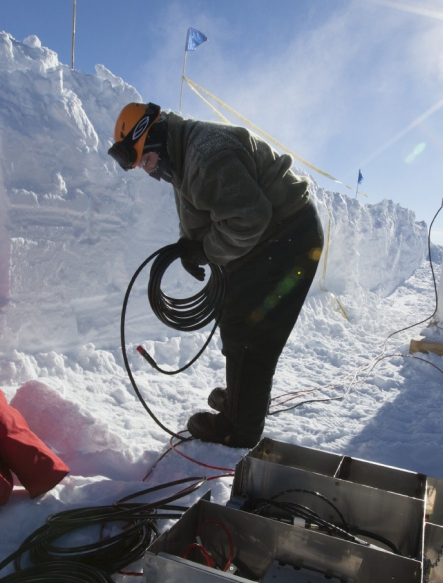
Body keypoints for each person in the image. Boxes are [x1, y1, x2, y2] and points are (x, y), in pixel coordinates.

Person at [108, 102, 323, 449]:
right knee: (237, 316)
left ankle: (239, 429)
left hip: (288, 236)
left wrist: (205, 251)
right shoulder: (180, 153)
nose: (150, 171)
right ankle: (244, 399)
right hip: (270, 234)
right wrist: (188, 245)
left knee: (249, 329)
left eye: (146, 160)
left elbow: (248, 219)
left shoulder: (205, 154)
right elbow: (195, 203)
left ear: (157, 134)